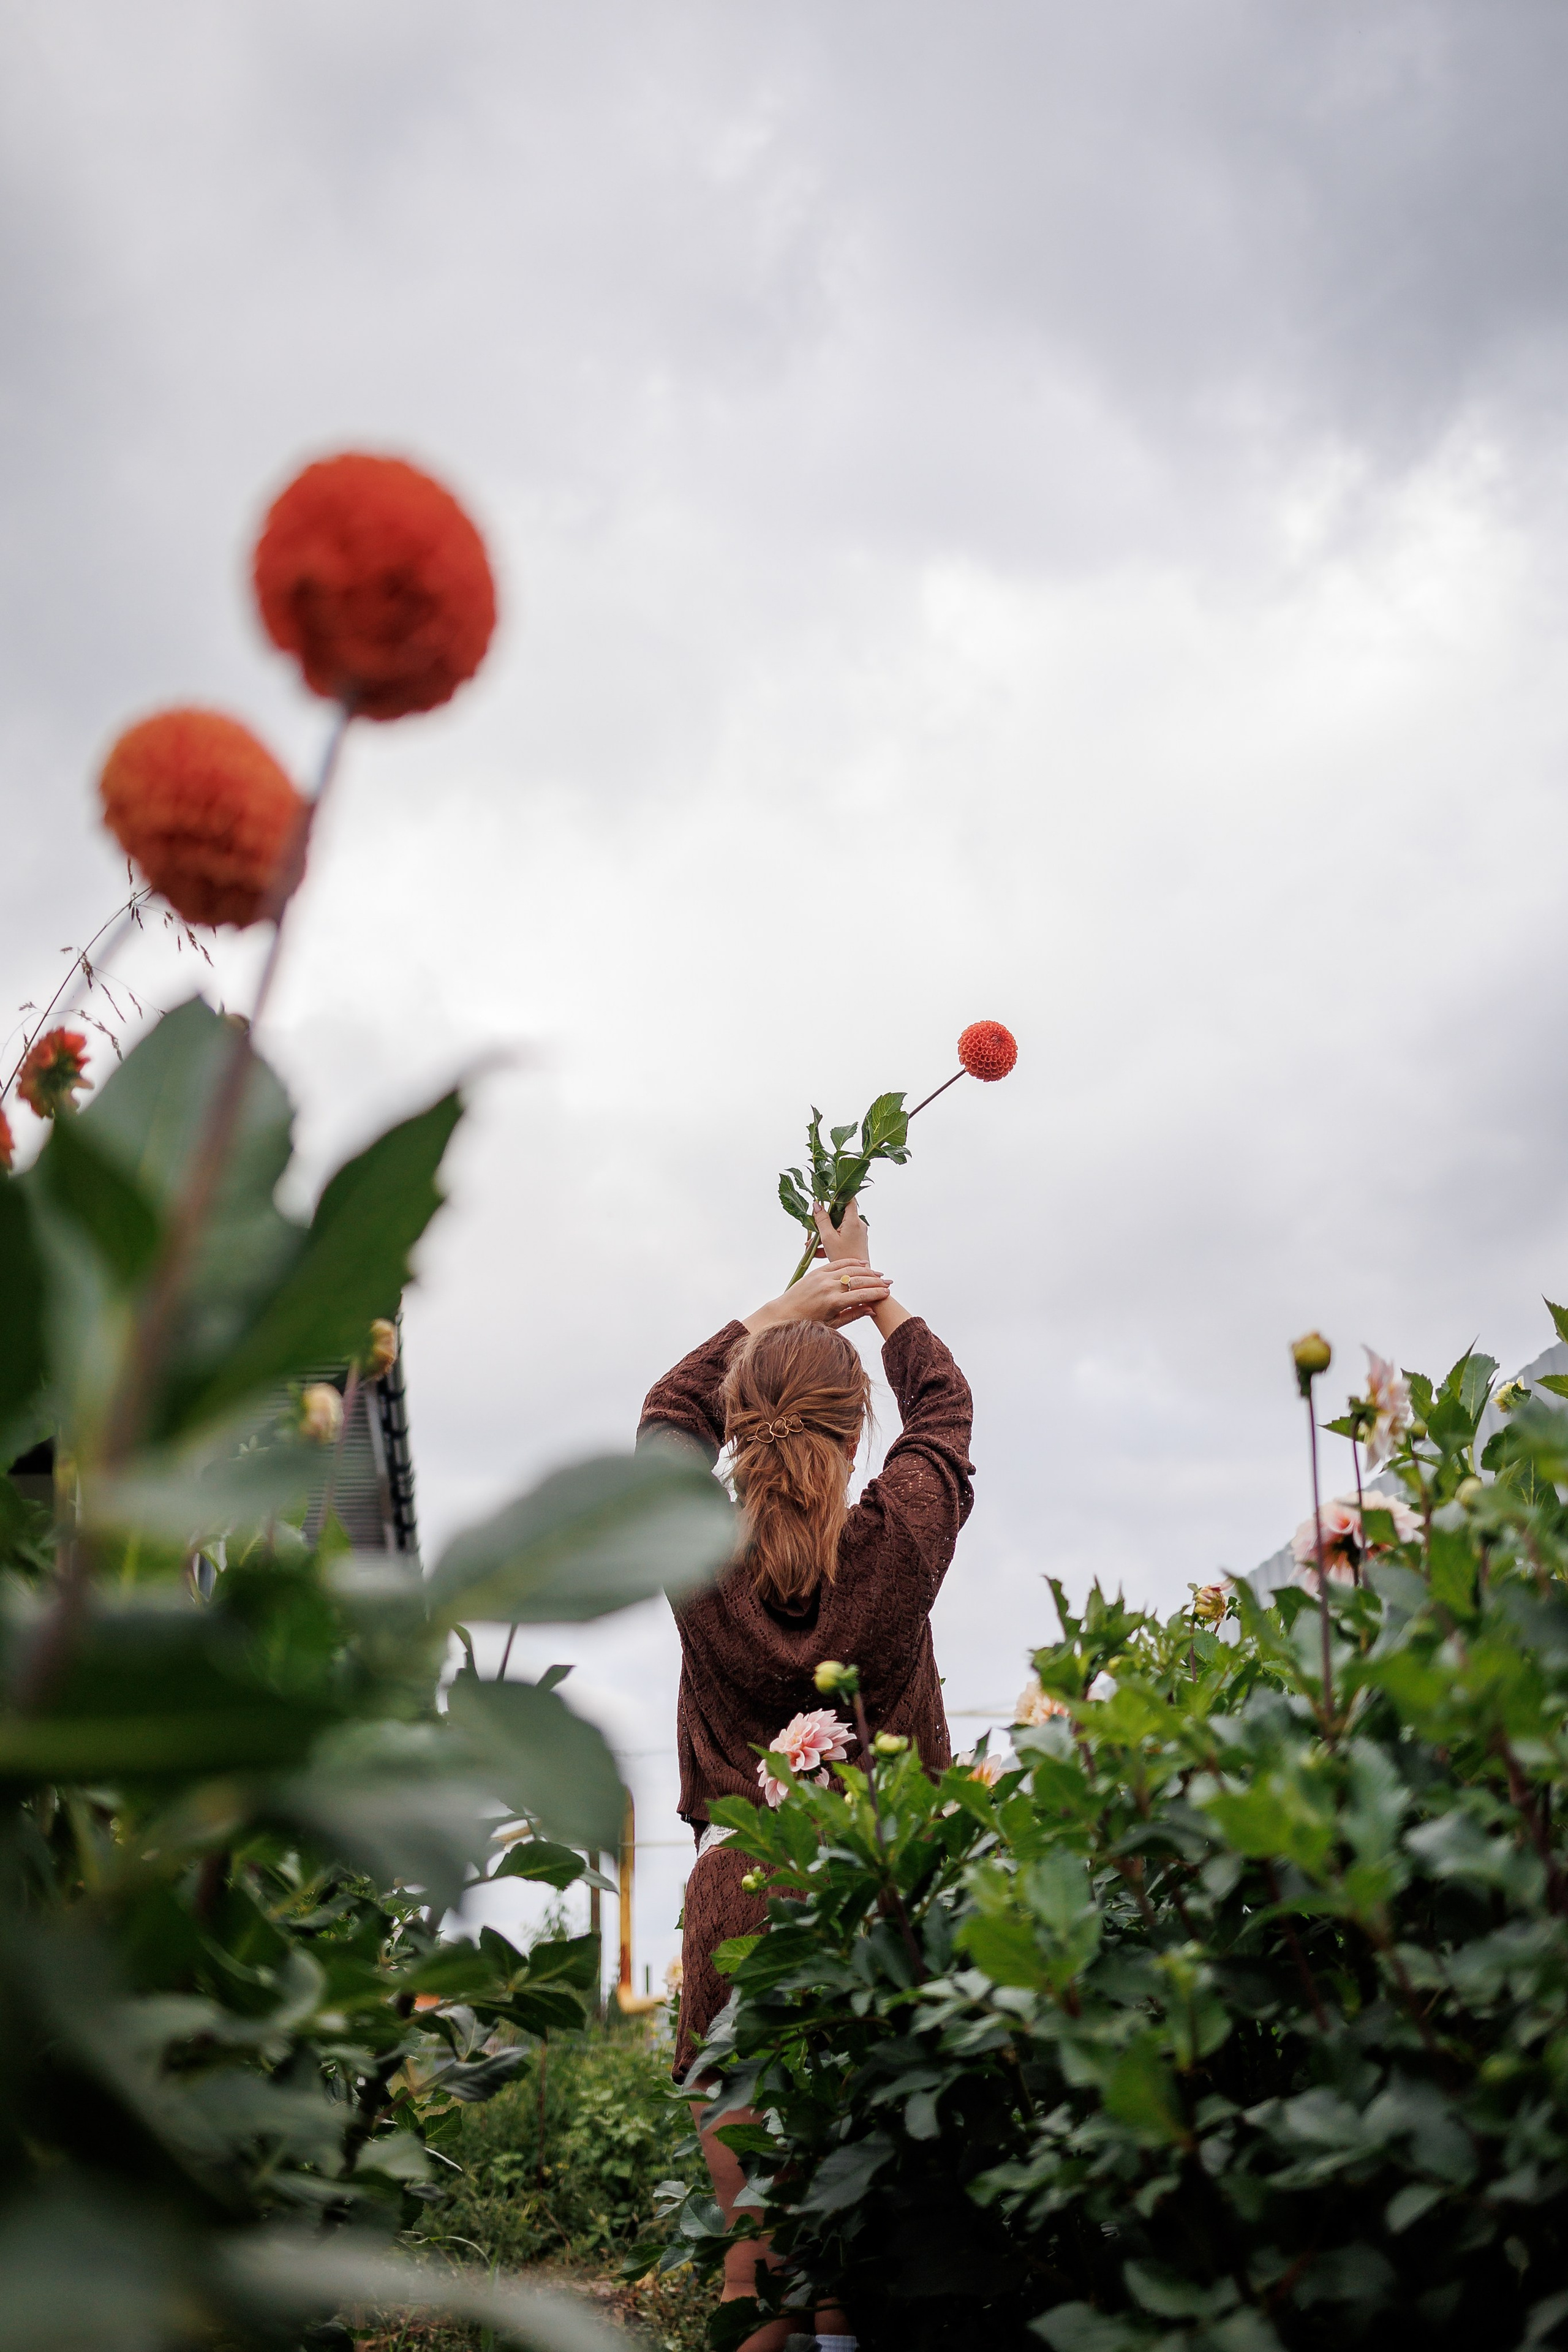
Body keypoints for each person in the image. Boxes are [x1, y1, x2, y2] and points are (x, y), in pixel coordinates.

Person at [636, 1200, 975, 2352]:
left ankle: (759, 2307)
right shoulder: (896, 1545)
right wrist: (874, 1294)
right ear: (856, 1423)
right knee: (857, 2274)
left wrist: (778, 1310)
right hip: (881, 1887)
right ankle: (835, 2313)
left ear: (740, 1425)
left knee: (757, 2280)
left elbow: (663, 1417)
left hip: (739, 1883)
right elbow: (948, 1415)